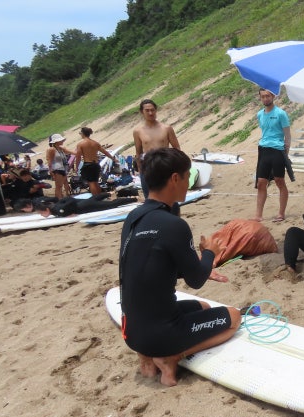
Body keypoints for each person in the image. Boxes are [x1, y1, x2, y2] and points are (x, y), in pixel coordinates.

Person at [119, 147, 241, 387]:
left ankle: (146, 355)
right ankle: (171, 357)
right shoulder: (174, 224)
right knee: (234, 317)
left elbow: (153, 264)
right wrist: (209, 254)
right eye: (188, 176)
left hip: (132, 332)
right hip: (162, 334)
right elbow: (195, 281)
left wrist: (199, 266)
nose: (189, 182)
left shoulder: (133, 218)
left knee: (204, 307)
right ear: (175, 178)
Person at [254, 88, 291, 222]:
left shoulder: (281, 113)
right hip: (264, 150)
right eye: (263, 96)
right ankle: (258, 215)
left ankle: (281, 213)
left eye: (268, 96)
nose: (265, 99)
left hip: (277, 150)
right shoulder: (259, 114)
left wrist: (286, 152)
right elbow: (265, 131)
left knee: (279, 181)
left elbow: (287, 135)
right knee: (261, 183)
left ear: (273, 96)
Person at [133, 99, 181, 200]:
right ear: (142, 112)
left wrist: (177, 166)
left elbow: (176, 148)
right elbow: (138, 152)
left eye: (152, 110)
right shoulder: (138, 131)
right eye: (147, 110)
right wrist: (140, 170)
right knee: (150, 197)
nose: (150, 113)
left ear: (156, 110)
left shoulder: (166, 128)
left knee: (169, 197)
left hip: (164, 165)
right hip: (148, 167)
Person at [74, 127, 117, 196]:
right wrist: (113, 158)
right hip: (96, 164)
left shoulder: (81, 144)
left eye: (80, 133)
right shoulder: (95, 143)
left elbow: (78, 156)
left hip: (88, 164)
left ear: (83, 134)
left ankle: (95, 198)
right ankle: (100, 197)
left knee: (91, 183)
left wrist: (76, 167)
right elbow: (105, 152)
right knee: (96, 182)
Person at [29, 192, 137, 217]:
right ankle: (110, 193)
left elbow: (69, 201)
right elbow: (67, 199)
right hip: (83, 203)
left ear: (46, 210)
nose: (41, 215)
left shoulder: (58, 211)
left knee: (111, 205)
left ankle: (134, 199)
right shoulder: (55, 206)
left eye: (41, 213)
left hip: (84, 206)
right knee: (95, 198)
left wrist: (69, 213)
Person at [46, 133, 75, 199]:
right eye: (61, 140)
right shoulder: (52, 149)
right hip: (57, 169)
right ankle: (59, 199)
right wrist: (51, 171)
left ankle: (65, 197)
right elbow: (49, 161)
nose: (62, 141)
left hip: (62, 168)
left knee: (63, 185)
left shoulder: (61, 148)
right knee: (59, 186)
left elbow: (70, 152)